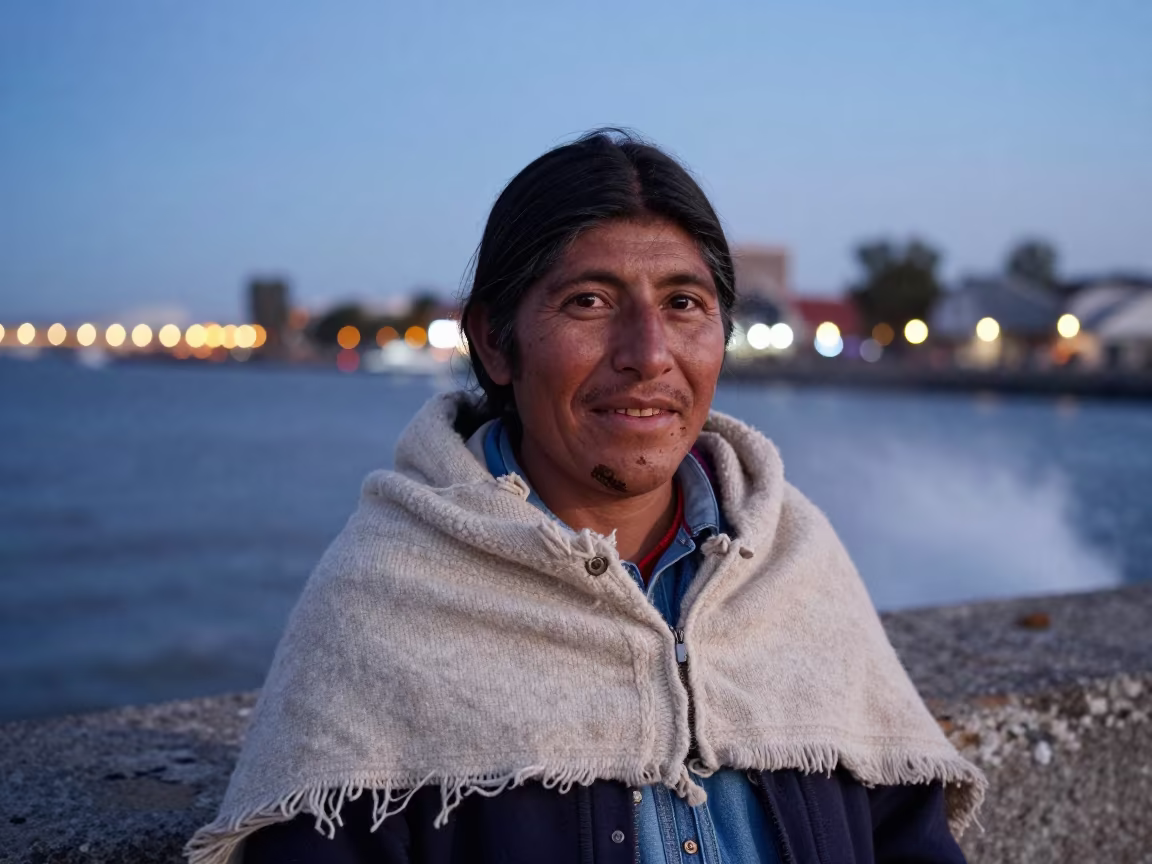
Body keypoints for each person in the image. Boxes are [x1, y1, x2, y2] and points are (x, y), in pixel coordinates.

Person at [188, 130, 984, 864]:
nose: (647, 355)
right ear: (497, 342)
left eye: (683, 304)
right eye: (589, 302)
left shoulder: (793, 564)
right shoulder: (383, 598)